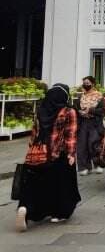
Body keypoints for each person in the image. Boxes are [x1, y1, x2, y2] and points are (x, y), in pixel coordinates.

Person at [16, 84, 81, 232]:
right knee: (60, 184)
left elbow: (34, 132)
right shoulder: (68, 111)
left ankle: (25, 208)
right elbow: (70, 135)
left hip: (38, 154)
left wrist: (32, 149)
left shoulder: (41, 110)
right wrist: (71, 154)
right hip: (58, 154)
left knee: (36, 184)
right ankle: (59, 213)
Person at [75, 76, 105, 176]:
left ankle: (98, 165)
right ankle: (84, 167)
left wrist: (91, 110)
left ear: (93, 83)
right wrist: (79, 112)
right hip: (83, 122)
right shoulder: (81, 96)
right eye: (84, 83)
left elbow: (103, 111)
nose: (85, 85)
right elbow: (76, 108)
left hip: (95, 123)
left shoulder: (99, 96)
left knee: (94, 144)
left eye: (88, 83)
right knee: (82, 145)